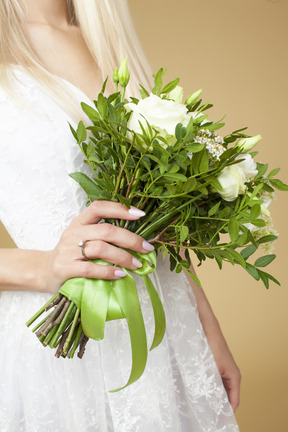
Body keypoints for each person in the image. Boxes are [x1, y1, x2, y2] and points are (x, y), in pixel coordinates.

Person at [0, 1, 241, 431]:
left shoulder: (104, 37)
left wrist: (207, 327)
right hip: (57, 345)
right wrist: (42, 266)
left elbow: (152, 216)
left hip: (167, 331)